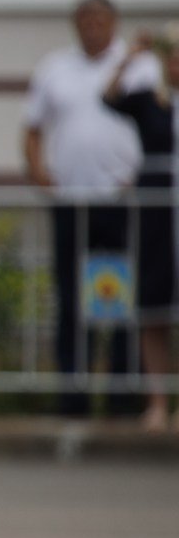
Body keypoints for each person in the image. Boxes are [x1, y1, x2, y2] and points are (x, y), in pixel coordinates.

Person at [26, 0, 154, 418]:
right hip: (71, 200)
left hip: (121, 201)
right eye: (85, 20)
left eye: (100, 21)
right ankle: (73, 396)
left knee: (122, 298)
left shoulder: (140, 68)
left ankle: (122, 397)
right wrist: (40, 175)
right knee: (70, 298)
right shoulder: (55, 68)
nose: (92, 28)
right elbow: (33, 128)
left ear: (114, 24)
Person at [104, 27, 177, 431]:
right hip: (157, 215)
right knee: (155, 308)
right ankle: (158, 403)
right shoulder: (152, 101)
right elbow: (108, 98)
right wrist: (130, 55)